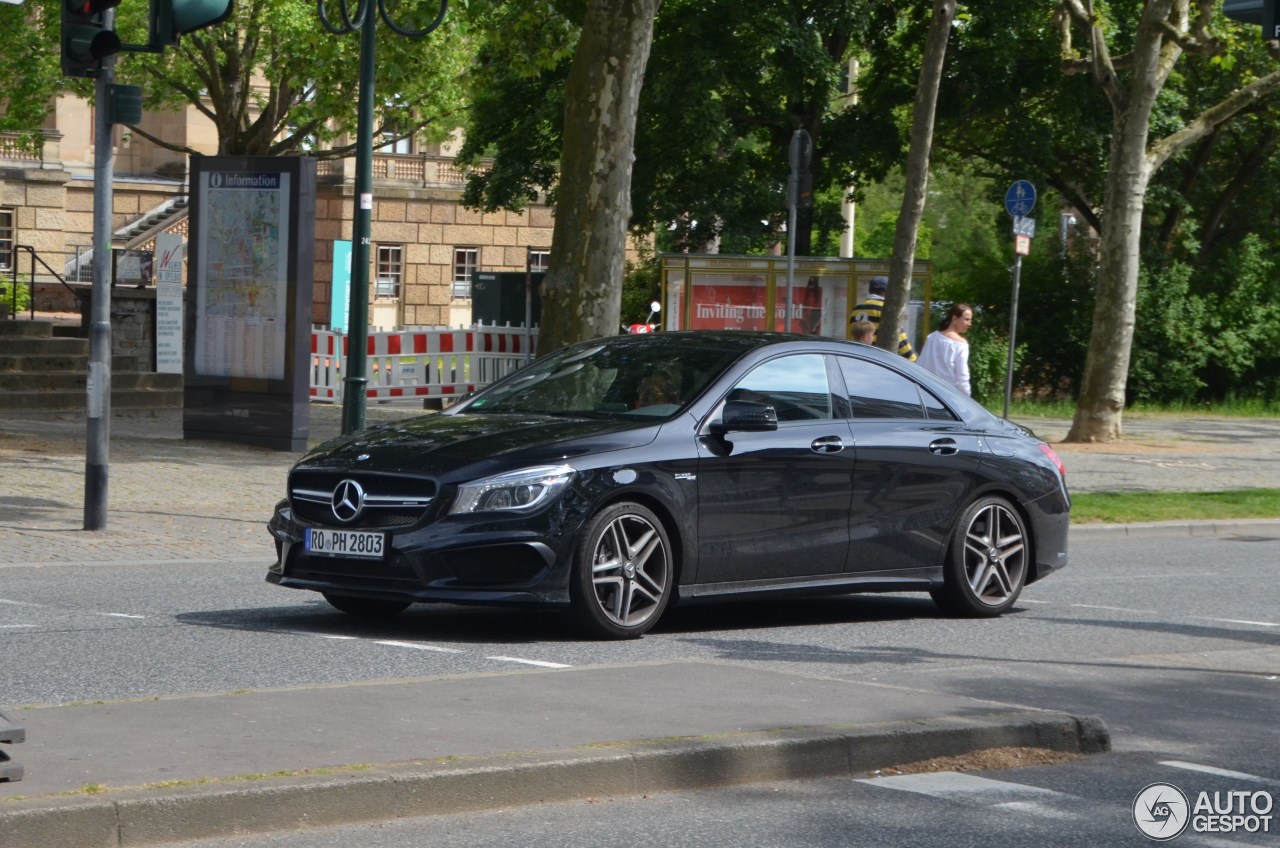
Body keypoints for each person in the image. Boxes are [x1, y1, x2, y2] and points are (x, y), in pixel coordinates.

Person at [849, 276, 916, 360]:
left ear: (870, 290)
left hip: (859, 356)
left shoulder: (856, 309)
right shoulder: (886, 310)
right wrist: (911, 357)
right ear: (887, 292)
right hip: (878, 359)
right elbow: (899, 337)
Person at [916, 302, 974, 396]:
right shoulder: (960, 344)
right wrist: (967, 397)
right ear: (955, 318)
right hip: (947, 397)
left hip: (926, 392)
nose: (969, 324)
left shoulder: (932, 337)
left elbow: (921, 364)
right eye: (967, 319)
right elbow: (962, 376)